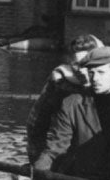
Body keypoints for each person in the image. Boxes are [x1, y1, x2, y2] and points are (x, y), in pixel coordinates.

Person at [33, 44, 110, 180]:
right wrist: (36, 172)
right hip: (85, 179)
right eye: (91, 72)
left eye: (101, 72)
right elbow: (55, 149)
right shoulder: (71, 104)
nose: (95, 78)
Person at [24, 33, 100, 164]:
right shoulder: (60, 81)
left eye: (86, 64)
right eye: (77, 64)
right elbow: (36, 122)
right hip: (62, 139)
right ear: (71, 63)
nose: (82, 70)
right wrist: (39, 163)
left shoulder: (108, 78)